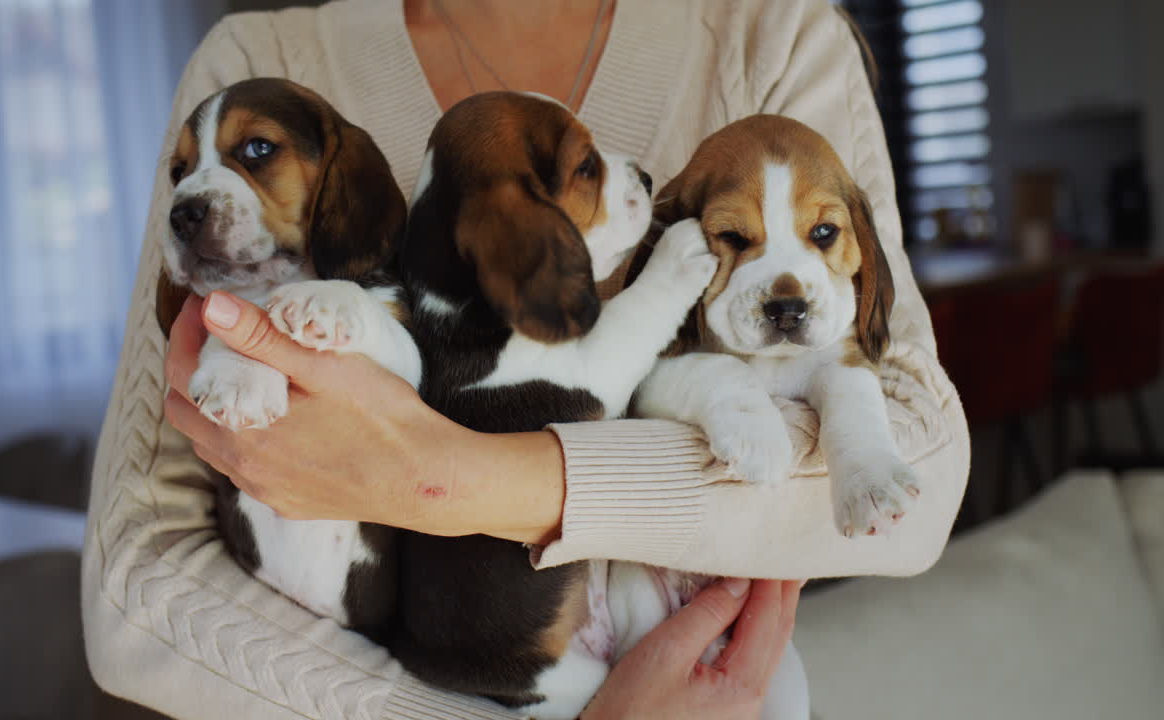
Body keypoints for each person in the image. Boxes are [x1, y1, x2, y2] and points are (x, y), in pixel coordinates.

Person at [81, 1, 970, 718]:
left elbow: (918, 472)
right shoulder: (255, 52)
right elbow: (137, 591)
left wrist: (453, 480)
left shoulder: (774, 36)